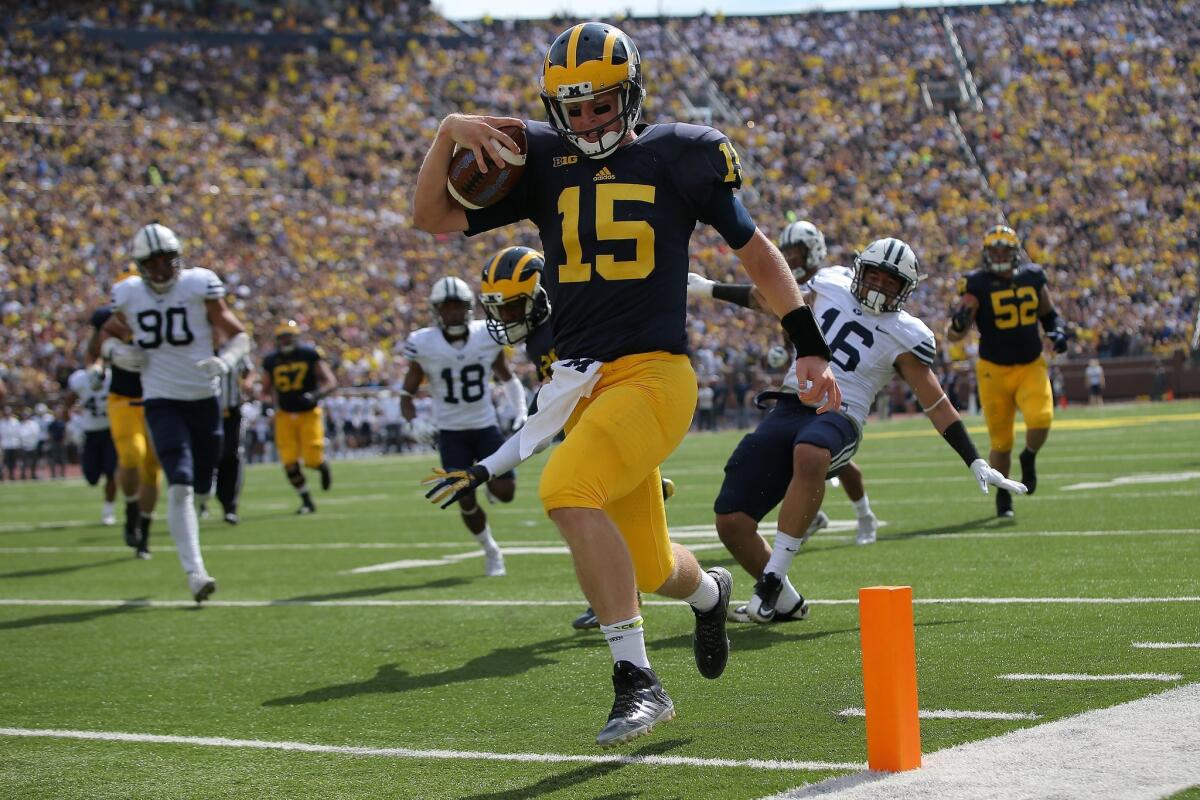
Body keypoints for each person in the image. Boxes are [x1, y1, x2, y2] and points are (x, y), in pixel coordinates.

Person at [412, 21, 840, 747]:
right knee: (647, 564)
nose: (586, 121)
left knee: (564, 491)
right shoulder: (542, 162)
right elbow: (430, 217)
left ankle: (636, 680)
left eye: (600, 104)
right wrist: (448, 132)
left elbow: (757, 250)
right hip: (582, 387)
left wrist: (808, 346)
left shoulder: (683, 154)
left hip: (654, 375)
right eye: (572, 109)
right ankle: (710, 592)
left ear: (631, 93)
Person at [713, 238, 1026, 623]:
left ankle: (771, 579)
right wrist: (708, 287)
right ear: (859, 270)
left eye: (890, 281)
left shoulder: (905, 332)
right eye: (874, 275)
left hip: (840, 416)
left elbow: (935, 401)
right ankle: (787, 603)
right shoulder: (829, 285)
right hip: (790, 405)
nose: (878, 286)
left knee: (810, 452)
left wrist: (974, 458)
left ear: (905, 289)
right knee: (732, 521)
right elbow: (767, 300)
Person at [477, 244, 675, 629]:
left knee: (580, 505)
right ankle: (621, 592)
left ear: (540, 295)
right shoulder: (541, 333)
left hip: (609, 417)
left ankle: (621, 597)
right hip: (584, 421)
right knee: (584, 508)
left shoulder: (567, 320)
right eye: (499, 309)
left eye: (513, 308)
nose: (505, 318)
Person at [688, 219, 880, 545]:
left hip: (842, 382)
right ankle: (812, 515)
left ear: (814, 249)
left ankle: (863, 516)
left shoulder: (832, 282)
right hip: (807, 379)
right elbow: (781, 317)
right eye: (786, 252)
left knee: (826, 455)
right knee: (796, 450)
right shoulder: (791, 283)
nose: (791, 258)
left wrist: (709, 288)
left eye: (796, 252)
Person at [100, 222, 252, 603]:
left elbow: (237, 332)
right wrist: (114, 352)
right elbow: (104, 335)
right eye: (152, 263)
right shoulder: (129, 294)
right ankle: (195, 573)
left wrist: (229, 358)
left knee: (202, 484)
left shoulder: (198, 285)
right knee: (180, 482)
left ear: (178, 259)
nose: (161, 270)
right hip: (161, 399)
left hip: (203, 398)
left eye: (167, 261)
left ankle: (202, 508)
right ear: (140, 265)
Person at [399, 276, 526, 577]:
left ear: (469, 308)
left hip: (485, 426)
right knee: (464, 498)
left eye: (458, 307)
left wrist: (519, 410)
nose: (453, 313)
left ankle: (493, 489)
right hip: (451, 433)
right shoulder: (423, 343)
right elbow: (407, 393)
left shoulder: (485, 335)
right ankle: (491, 550)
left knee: (506, 493)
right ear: (437, 311)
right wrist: (412, 421)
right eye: (447, 307)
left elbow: (507, 377)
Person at [946, 225, 1068, 518]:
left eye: (1005, 250)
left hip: (1030, 364)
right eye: (994, 250)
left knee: (1041, 418)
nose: (999, 256)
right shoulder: (976, 284)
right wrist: (960, 321)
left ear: (1015, 253)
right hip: (993, 371)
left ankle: (1029, 457)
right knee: (1001, 442)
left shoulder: (1032, 277)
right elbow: (953, 335)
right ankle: (1004, 496)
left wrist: (1057, 331)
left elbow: (1049, 314)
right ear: (986, 254)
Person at [89, 301, 160, 557]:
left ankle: (144, 536)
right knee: (131, 455)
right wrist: (97, 366)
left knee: (152, 472)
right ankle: (131, 510)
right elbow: (93, 351)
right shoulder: (110, 318)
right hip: (123, 398)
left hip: (158, 400)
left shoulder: (167, 309)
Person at [261, 320, 336, 514]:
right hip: (284, 416)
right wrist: (266, 404)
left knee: (312, 459)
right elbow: (265, 390)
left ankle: (322, 466)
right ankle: (306, 500)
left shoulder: (309, 355)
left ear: (295, 338)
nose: (285, 341)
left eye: (288, 337)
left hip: (309, 413)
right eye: (282, 338)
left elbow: (330, 382)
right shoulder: (271, 361)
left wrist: (315, 395)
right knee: (289, 462)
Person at [200, 350, 254, 524]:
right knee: (205, 455)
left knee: (232, 456)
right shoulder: (198, 345)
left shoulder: (233, 348)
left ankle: (230, 506)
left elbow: (249, 370)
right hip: (202, 411)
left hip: (231, 412)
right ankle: (201, 498)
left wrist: (248, 382)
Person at [64, 364, 118, 525]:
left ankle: (108, 511)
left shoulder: (114, 377)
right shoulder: (80, 379)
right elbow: (67, 403)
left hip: (111, 431)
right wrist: (71, 426)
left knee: (111, 472)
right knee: (91, 478)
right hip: (90, 433)